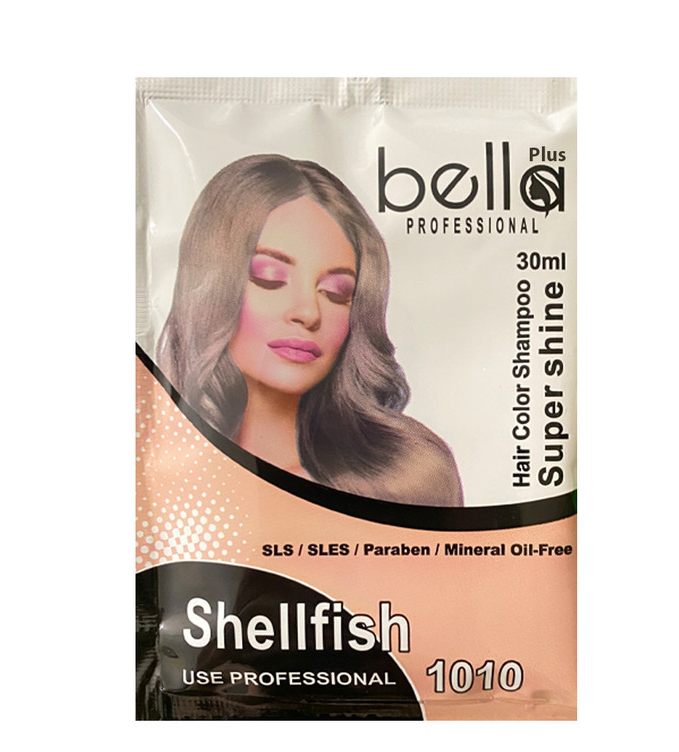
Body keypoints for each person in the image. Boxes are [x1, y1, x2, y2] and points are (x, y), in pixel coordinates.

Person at [157, 154, 463, 506]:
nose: (308, 312)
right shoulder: (165, 480)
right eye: (270, 278)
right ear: (211, 288)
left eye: (336, 292)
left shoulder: (408, 480)